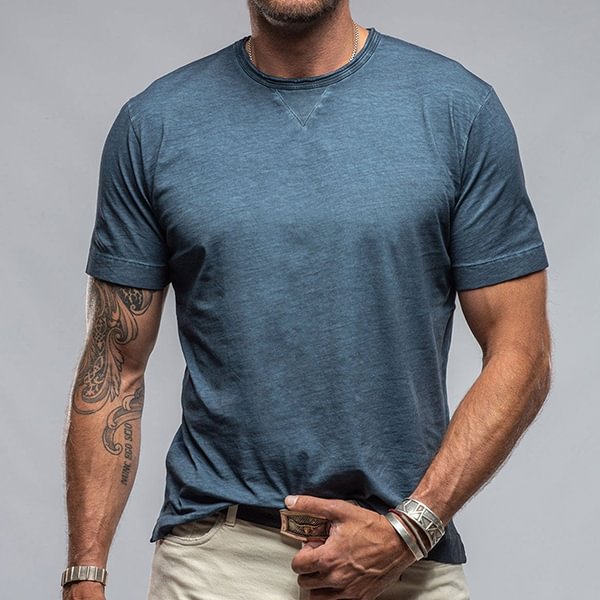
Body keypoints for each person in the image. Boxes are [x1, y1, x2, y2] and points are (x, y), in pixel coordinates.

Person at [62, 1, 551, 599]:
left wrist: (410, 529)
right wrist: (84, 571)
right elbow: (114, 365)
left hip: (406, 560)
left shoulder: (459, 111)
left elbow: (522, 353)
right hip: (216, 563)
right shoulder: (155, 124)